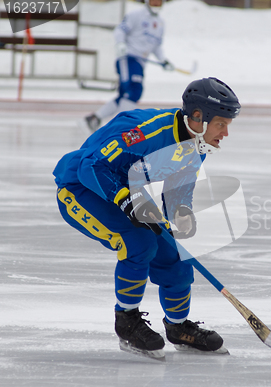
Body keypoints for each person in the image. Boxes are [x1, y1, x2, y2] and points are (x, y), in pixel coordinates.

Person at [54, 77, 241, 358]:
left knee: (175, 255)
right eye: (221, 124)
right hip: (82, 188)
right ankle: (126, 320)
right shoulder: (147, 132)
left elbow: (179, 188)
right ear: (198, 117)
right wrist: (124, 200)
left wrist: (181, 213)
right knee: (139, 242)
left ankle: (178, 327)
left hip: (129, 192)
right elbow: (90, 166)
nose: (225, 133)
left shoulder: (198, 143)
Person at [82, 0, 174, 134]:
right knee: (135, 90)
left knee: (124, 95)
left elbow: (156, 46)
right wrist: (120, 44)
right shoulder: (136, 15)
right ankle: (120, 127)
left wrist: (164, 60)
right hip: (128, 59)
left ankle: (94, 118)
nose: (156, 3)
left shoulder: (160, 23)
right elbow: (120, 30)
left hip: (140, 63)